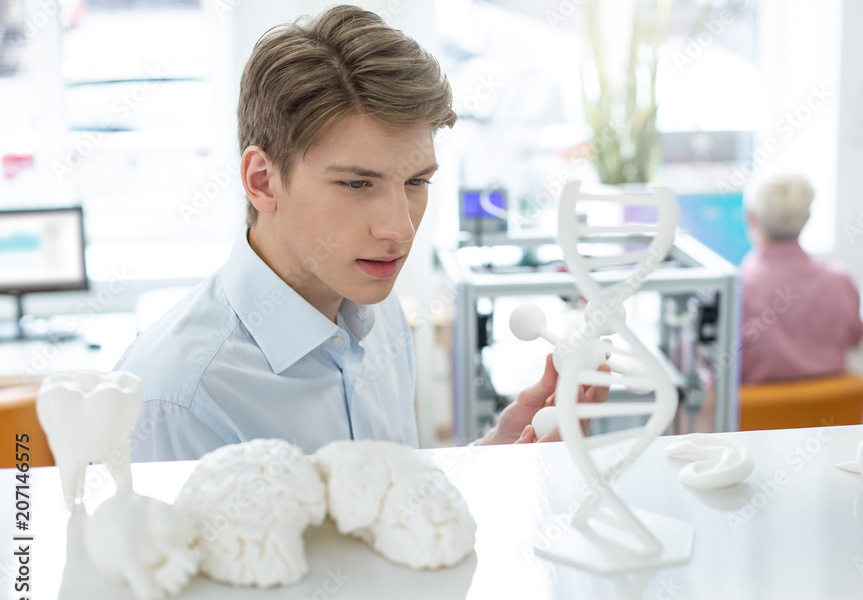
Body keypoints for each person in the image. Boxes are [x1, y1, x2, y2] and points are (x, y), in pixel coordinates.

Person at [115, 5, 606, 462]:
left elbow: (390, 521)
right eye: (356, 183)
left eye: (416, 182)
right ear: (262, 181)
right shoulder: (175, 399)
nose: (399, 229)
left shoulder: (378, 314)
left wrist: (501, 453)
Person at [739, 173, 863, 385]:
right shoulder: (839, 280)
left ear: (751, 217)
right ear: (807, 218)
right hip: (835, 415)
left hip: (761, 416)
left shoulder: (740, 288)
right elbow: (856, 337)